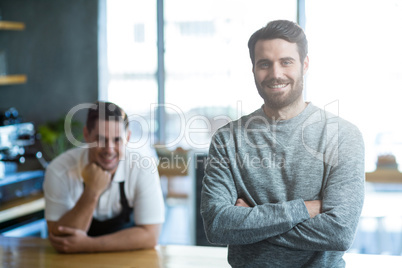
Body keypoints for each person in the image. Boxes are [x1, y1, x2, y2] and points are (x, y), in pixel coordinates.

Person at [200, 20, 365, 267]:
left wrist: (250, 222)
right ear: (254, 69)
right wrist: (304, 209)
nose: (276, 74)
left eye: (286, 62)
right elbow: (217, 225)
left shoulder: (342, 136)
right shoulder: (227, 140)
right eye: (264, 64)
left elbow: (338, 232)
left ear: (305, 64)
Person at [43, 101, 165, 253]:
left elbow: (150, 235)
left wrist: (88, 245)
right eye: (101, 139)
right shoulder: (59, 169)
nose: (109, 149)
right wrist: (92, 191)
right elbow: (60, 237)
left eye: (117, 140)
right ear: (86, 135)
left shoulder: (142, 168)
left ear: (127, 137)